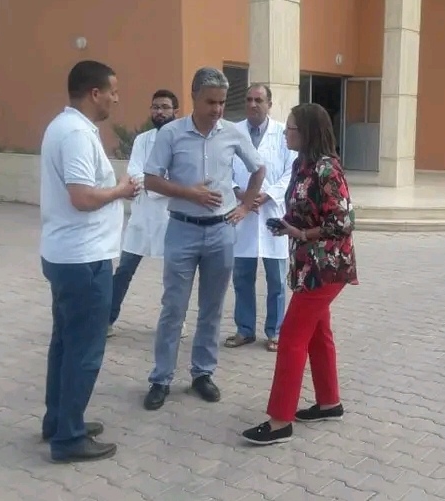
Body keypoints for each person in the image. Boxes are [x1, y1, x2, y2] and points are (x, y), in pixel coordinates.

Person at [141, 67, 266, 410]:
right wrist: (188, 193)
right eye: (211, 102)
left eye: (222, 102)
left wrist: (245, 206)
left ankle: (202, 373)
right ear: (194, 97)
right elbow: (151, 179)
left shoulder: (232, 133)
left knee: (212, 308)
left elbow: (258, 168)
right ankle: (161, 378)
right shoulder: (171, 133)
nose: (217, 109)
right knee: (173, 308)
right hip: (182, 229)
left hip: (220, 232)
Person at [39, 60, 140, 462]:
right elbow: (81, 197)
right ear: (94, 93)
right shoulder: (77, 133)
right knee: (84, 350)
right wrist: (121, 190)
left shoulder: (63, 126)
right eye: (112, 91)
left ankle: (59, 421)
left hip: (68, 255)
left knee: (65, 344)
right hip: (83, 260)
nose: (116, 98)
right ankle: (69, 439)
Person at [241, 103, 358, 445]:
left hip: (327, 267)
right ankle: (329, 403)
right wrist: (287, 224)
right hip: (308, 264)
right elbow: (306, 210)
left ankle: (280, 422)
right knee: (318, 333)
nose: (285, 133)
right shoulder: (301, 165)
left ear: (306, 132)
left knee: (291, 337)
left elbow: (343, 222)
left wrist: (302, 233)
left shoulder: (327, 169)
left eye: (290, 128)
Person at [226, 84, 297, 353]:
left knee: (276, 280)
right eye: (248, 99)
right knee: (242, 278)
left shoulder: (283, 133)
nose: (253, 104)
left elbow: (292, 171)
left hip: (272, 213)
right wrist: (239, 193)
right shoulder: (232, 132)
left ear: (269, 104)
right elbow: (223, 168)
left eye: (259, 100)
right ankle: (245, 330)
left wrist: (267, 195)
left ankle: (275, 331)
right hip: (241, 213)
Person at [108, 89, 179, 335]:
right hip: (142, 217)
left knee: (173, 276)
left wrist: (156, 184)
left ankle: (173, 323)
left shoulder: (183, 140)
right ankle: (106, 320)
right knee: (124, 269)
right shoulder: (142, 140)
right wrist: (161, 184)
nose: (159, 112)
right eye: (155, 107)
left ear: (175, 111)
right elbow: (135, 173)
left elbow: (181, 178)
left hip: (171, 217)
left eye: (165, 107)